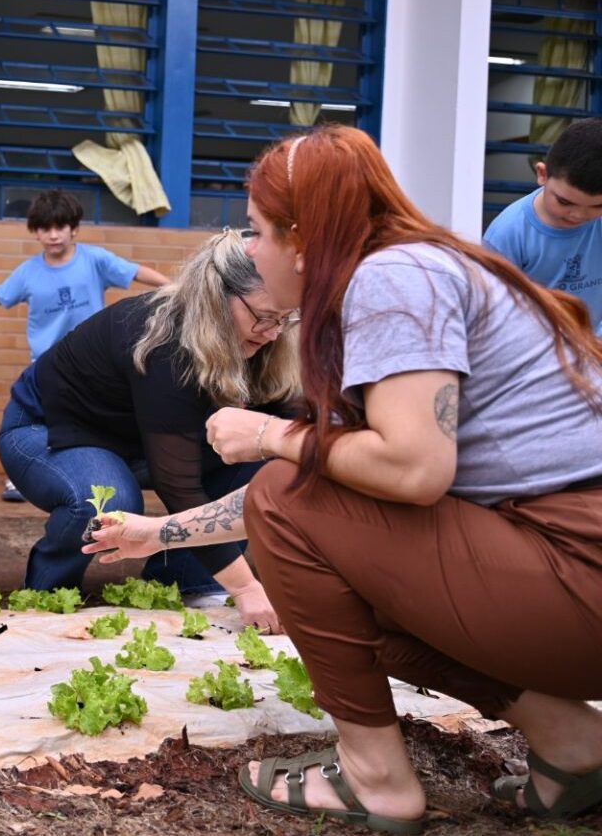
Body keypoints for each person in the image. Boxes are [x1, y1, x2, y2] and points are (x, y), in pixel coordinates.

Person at [96, 125, 602, 832]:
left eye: (260, 229)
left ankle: (375, 778)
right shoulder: (410, 269)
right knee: (327, 550)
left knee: (283, 489)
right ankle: (571, 741)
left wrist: (270, 434)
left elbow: (411, 469)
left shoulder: (390, 280)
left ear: (302, 238)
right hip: (562, 573)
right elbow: (337, 504)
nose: (251, 248)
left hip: (578, 571)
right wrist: (160, 534)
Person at [0, 229, 294, 627]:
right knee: (106, 499)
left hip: (134, 437)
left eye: (284, 319)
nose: (273, 332)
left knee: (268, 457)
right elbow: (179, 484)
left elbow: (288, 423)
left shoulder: (261, 337)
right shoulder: (166, 344)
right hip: (43, 428)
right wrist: (247, 587)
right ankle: (47, 597)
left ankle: (184, 580)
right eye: (264, 318)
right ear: (218, 299)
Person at [0, 189, 171, 502]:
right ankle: (20, 479)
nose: (54, 235)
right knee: (38, 419)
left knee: (95, 419)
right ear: (36, 232)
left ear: (74, 229)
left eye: (60, 227)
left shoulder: (94, 259)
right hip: (45, 366)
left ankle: (110, 472)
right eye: (46, 228)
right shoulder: (28, 272)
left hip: (90, 364)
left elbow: (135, 271)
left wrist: (173, 288)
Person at [483, 117, 602, 335]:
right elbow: (495, 313)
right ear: (542, 174)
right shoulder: (507, 234)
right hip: (535, 356)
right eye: (565, 202)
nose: (578, 215)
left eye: (597, 206)